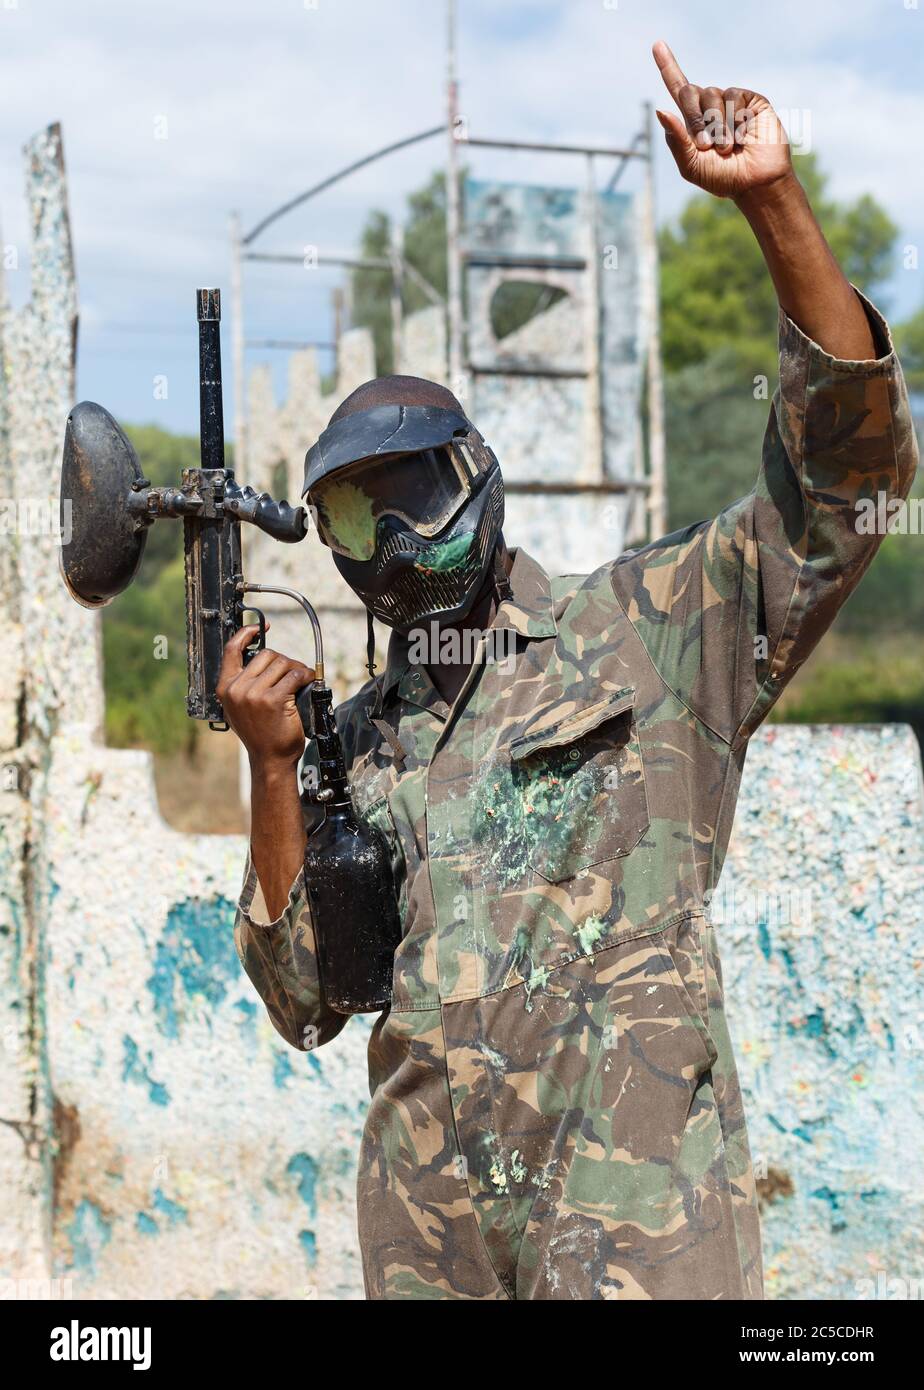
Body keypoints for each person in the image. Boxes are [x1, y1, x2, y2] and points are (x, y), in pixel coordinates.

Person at [218, 42, 918, 1300]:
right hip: (435, 1250)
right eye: (355, 522)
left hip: (640, 1247)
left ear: (477, 480)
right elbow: (307, 996)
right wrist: (276, 769)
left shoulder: (651, 628)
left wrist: (772, 204)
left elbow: (846, 486)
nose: (391, 544)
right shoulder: (361, 740)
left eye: (411, 497)